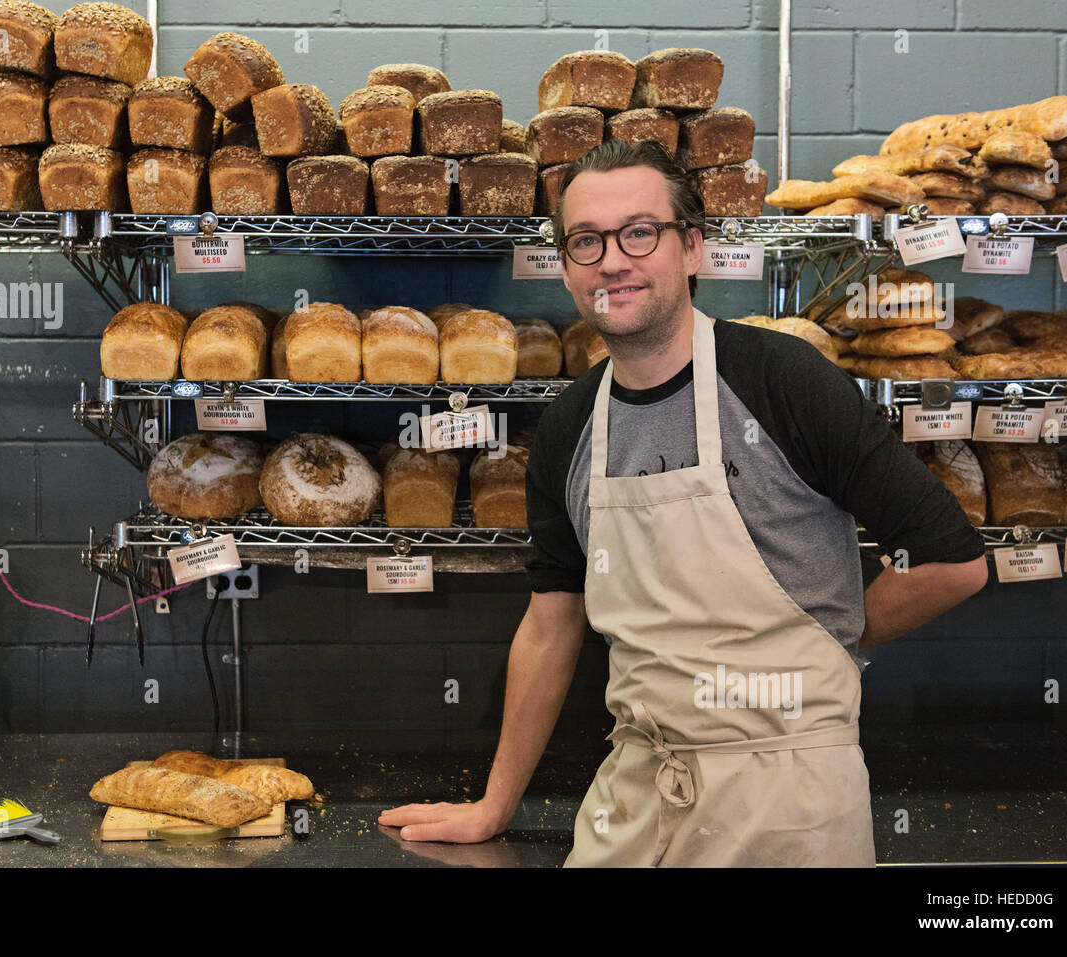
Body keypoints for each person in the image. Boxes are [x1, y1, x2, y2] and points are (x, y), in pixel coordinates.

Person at [378, 140, 989, 866]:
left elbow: (951, 562)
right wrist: (494, 803)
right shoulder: (571, 424)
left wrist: (833, 641)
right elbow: (551, 623)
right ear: (568, 269)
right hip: (634, 802)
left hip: (789, 805)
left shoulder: (782, 380)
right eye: (586, 241)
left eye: (640, 232)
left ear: (692, 247)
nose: (612, 259)